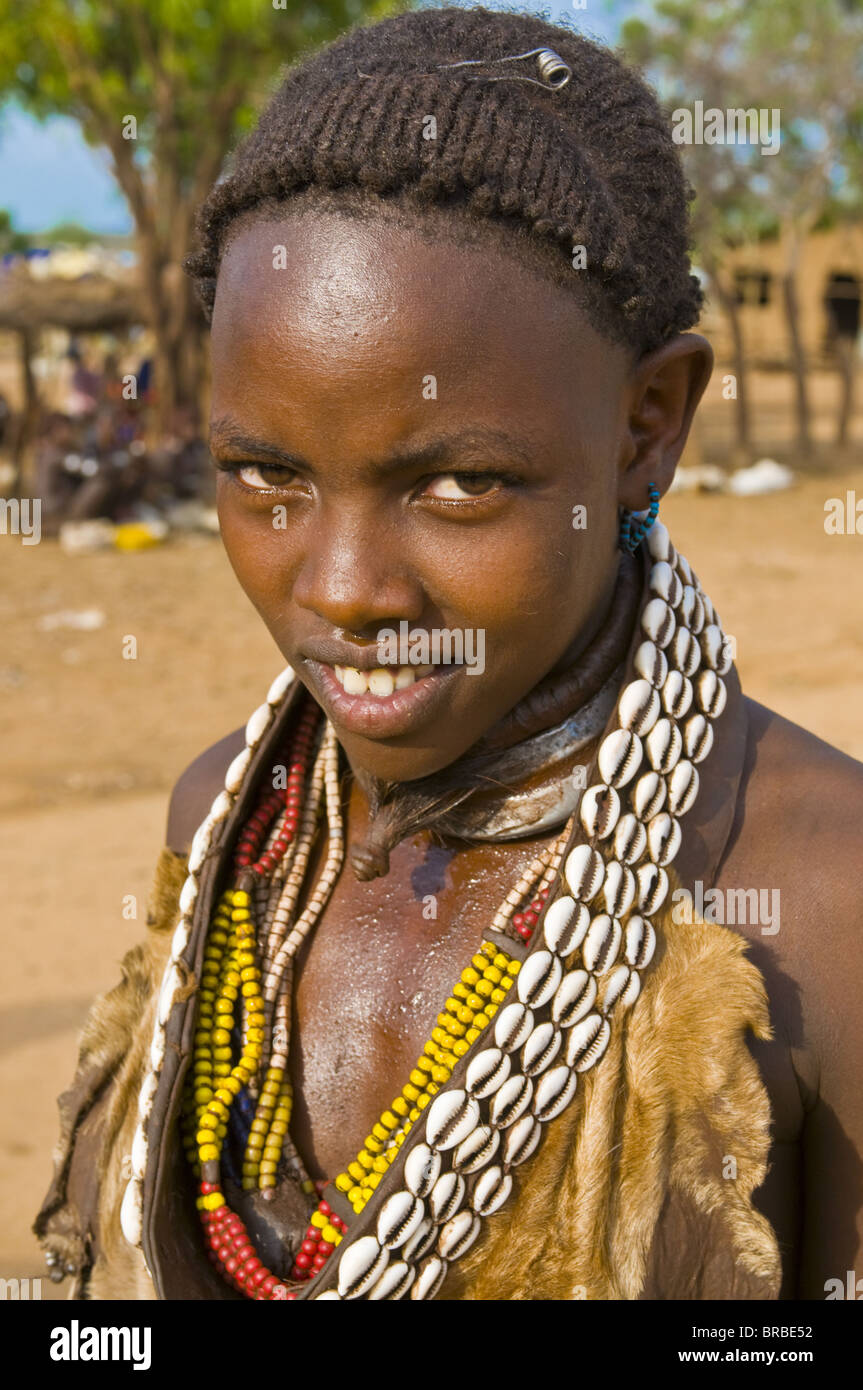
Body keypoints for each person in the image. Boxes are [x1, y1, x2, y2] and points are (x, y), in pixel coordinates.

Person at [35, 6, 863, 1302]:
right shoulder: (226, 829)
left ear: (649, 424)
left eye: (463, 484)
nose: (346, 591)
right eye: (266, 477)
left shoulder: (821, 905)